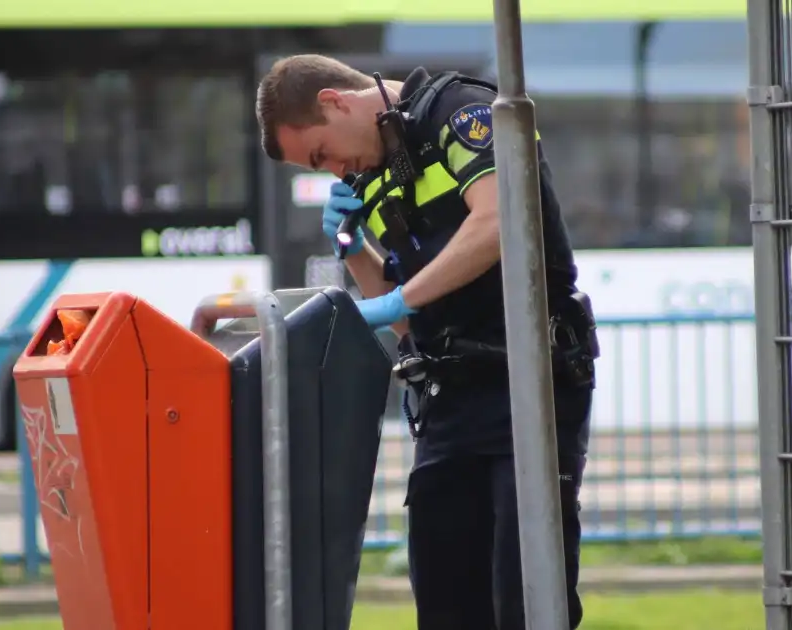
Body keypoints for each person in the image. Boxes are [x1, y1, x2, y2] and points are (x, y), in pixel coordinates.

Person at [255, 54, 598, 629]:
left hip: (530, 385)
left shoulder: (461, 113)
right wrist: (354, 247)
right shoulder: (376, 165)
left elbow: (497, 222)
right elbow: (409, 318)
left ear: (334, 102)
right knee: (444, 602)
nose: (336, 171)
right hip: (449, 400)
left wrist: (399, 300)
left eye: (322, 153)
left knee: (528, 600)